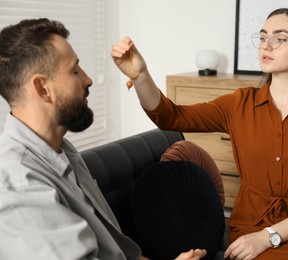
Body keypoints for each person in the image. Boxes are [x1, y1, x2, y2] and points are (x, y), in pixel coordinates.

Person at [112, 8, 288, 260]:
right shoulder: (239, 104)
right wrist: (140, 76)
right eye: (262, 37)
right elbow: (171, 116)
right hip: (252, 228)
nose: (266, 46)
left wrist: (269, 236)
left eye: (279, 38)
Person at [0, 18, 206, 260]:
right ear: (43, 89)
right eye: (74, 70)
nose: (88, 80)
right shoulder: (19, 188)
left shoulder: (61, 151)